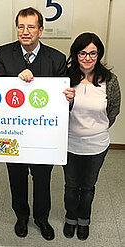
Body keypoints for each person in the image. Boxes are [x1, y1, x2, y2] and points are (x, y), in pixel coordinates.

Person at [0, 7, 75, 241]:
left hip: (43, 135)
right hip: (12, 132)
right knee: (16, 178)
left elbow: (61, 101)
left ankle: (42, 218)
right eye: (21, 26)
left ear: (41, 30)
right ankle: (21, 216)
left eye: (30, 27)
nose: (25, 31)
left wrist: (68, 98)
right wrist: (16, 83)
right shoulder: (4, 54)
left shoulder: (57, 58)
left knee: (42, 179)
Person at [63, 32, 121, 240]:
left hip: (97, 146)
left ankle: (83, 220)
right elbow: (58, 110)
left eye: (92, 53)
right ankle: (70, 218)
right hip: (69, 144)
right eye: (82, 53)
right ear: (76, 55)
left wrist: (96, 128)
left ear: (99, 55)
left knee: (87, 187)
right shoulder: (66, 79)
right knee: (71, 186)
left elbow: (113, 111)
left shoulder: (110, 80)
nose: (87, 58)